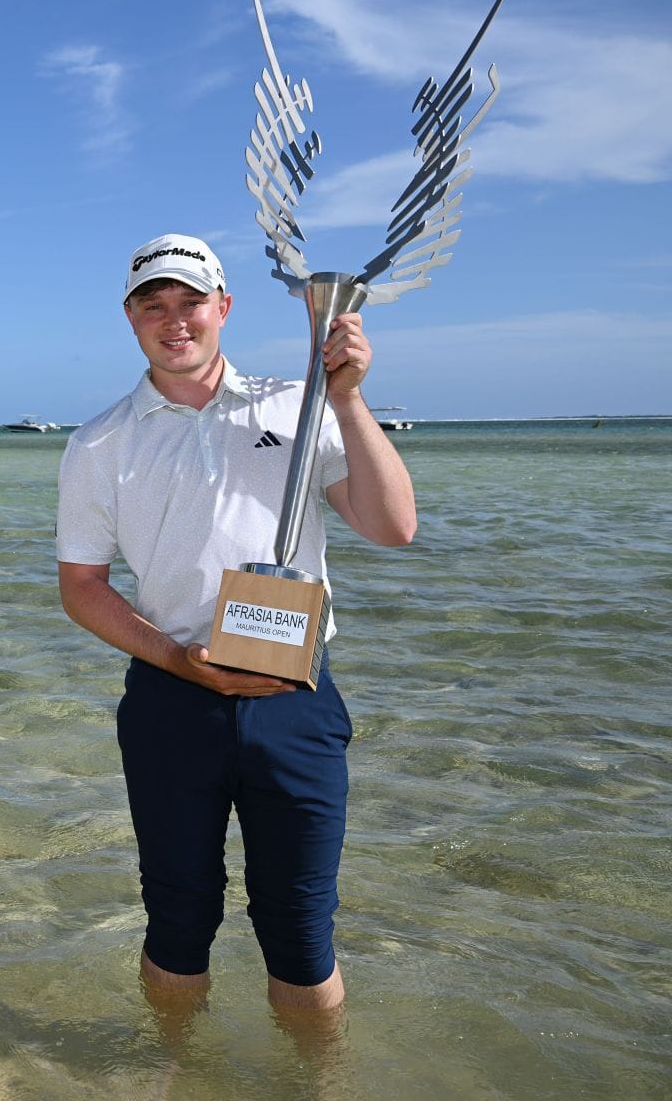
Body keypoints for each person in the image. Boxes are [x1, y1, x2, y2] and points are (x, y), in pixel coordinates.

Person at [55, 233, 416, 1020]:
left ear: (224, 307)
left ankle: (317, 1084)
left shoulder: (296, 405)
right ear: (131, 319)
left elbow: (393, 528)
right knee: (178, 920)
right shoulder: (99, 443)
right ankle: (177, 1073)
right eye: (155, 305)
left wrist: (348, 399)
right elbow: (82, 587)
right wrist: (180, 660)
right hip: (169, 699)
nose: (174, 320)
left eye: (191, 302)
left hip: (296, 701)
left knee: (300, 928)